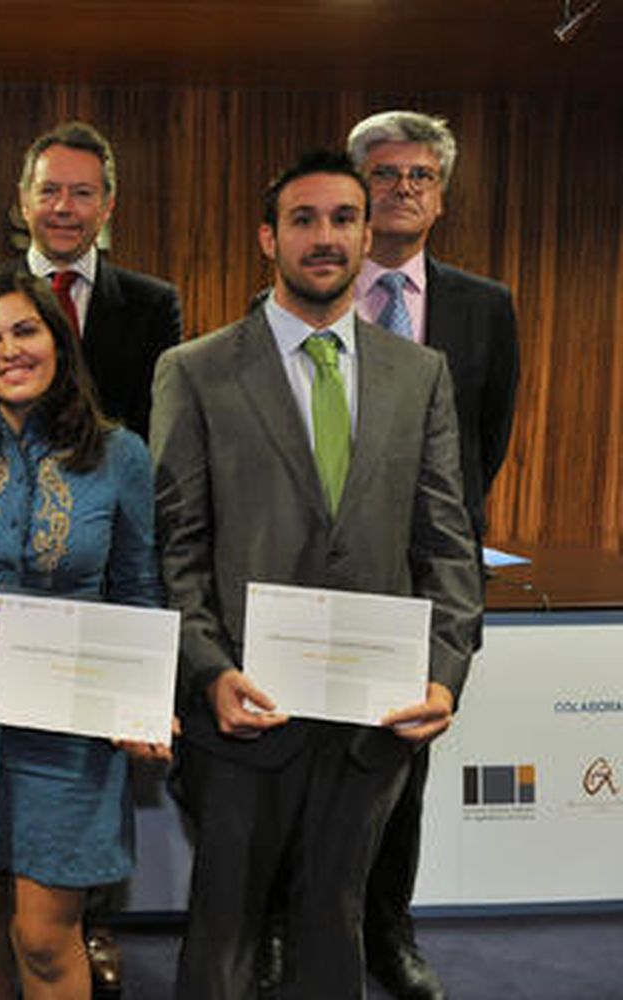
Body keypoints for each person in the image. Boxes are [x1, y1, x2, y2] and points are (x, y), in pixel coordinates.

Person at [149, 150, 481, 999]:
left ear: (369, 234)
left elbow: (448, 543)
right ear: (269, 237)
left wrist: (445, 676)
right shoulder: (195, 371)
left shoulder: (422, 375)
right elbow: (175, 550)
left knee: (334, 932)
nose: (325, 237)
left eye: (342, 219)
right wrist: (211, 672)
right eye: (303, 219)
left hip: (375, 722)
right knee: (221, 939)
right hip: (245, 716)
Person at [0, 269, 166, 999]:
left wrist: (142, 702)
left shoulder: (121, 455)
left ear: (59, 341)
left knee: (47, 937)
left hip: (70, 729)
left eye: (25, 331)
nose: (8, 351)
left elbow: (140, 589)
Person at [346, 110, 519, 999]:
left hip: (425, 581)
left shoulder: (486, 308)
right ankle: (278, 928)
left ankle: (389, 933)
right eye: (384, 173)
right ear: (356, 191)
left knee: (400, 774)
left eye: (419, 175)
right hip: (319, 577)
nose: (401, 187)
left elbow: (484, 449)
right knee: (293, 770)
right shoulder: (316, 286)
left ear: (440, 197)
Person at [0, 121, 181, 442]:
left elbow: (160, 427)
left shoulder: (154, 305)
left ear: (107, 206)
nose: (63, 208)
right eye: (49, 191)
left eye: (82, 193)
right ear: (24, 201)